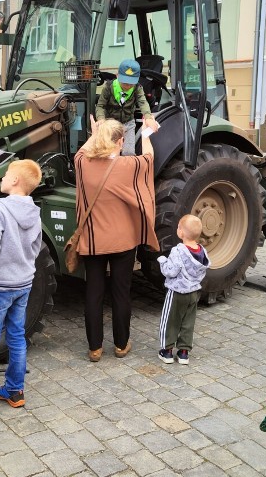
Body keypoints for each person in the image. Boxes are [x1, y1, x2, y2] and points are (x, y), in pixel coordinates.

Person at [75, 116, 159, 361]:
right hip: (123, 242)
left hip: (93, 241)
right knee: (121, 292)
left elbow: (84, 151)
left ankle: (95, 348)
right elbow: (149, 159)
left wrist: (94, 132)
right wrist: (145, 134)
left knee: (94, 291)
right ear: (121, 141)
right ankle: (121, 345)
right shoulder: (130, 166)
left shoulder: (82, 164)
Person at [0, 159, 43, 416]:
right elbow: (35, 248)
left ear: (15, 181)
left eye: (5, 176)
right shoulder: (34, 211)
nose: (1, 179)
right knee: (16, 336)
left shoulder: (1, 208)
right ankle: (15, 391)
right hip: (24, 282)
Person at [157, 214, 209, 365]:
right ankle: (184, 352)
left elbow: (170, 272)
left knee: (170, 320)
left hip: (177, 292)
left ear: (182, 233)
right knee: (188, 321)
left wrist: (162, 261)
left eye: (179, 227)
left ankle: (167, 351)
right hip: (194, 292)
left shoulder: (177, 251)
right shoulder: (202, 252)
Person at [95, 58, 159, 155]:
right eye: (125, 82)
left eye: (131, 83)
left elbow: (143, 103)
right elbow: (100, 105)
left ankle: (127, 168)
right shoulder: (109, 87)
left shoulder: (137, 88)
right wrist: (101, 119)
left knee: (128, 152)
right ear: (117, 76)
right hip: (111, 124)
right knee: (110, 153)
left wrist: (148, 117)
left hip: (128, 123)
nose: (128, 86)